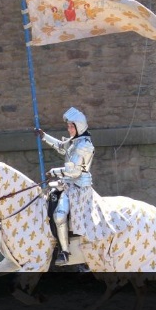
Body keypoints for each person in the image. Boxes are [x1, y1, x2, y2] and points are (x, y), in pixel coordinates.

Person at [35, 107, 94, 266]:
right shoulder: (74, 142)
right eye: (68, 126)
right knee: (48, 201)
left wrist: (54, 171)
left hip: (80, 188)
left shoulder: (84, 145)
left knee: (60, 215)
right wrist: (44, 136)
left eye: (71, 126)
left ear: (79, 127)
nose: (69, 129)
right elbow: (62, 146)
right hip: (68, 184)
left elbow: (74, 171)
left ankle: (65, 252)